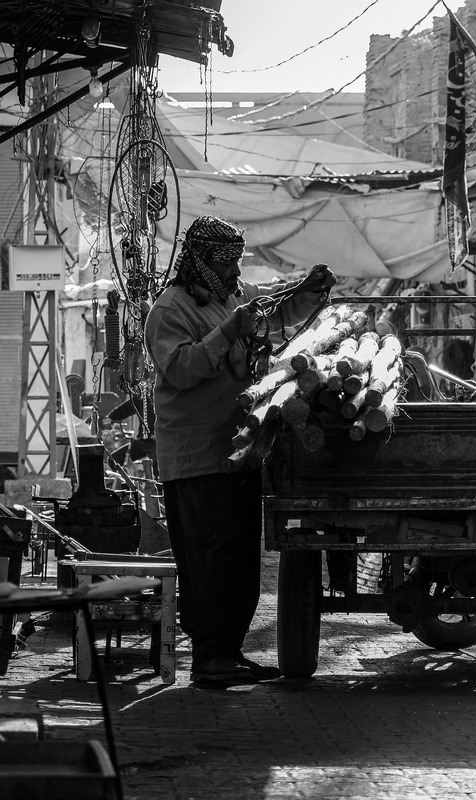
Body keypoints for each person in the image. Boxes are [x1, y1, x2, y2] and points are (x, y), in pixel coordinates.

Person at [145, 215, 334, 684]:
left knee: (240, 560)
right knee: (210, 558)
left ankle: (228, 651)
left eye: (236, 263)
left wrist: (307, 291)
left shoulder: (235, 298)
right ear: (203, 262)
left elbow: (274, 313)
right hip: (196, 458)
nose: (234, 272)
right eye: (226, 263)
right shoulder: (170, 309)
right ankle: (210, 657)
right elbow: (182, 369)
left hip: (239, 452)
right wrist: (227, 332)